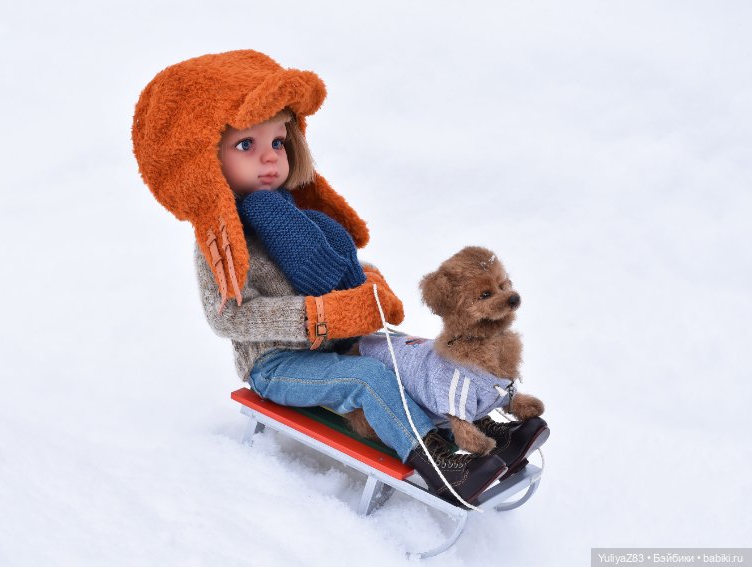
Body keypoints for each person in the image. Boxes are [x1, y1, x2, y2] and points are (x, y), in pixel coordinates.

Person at [131, 49, 510, 506]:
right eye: (246, 145)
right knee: (369, 380)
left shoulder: (296, 211)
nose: (270, 159)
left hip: (334, 343)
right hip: (277, 367)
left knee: (408, 356)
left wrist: (370, 284)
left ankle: (481, 416)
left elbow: (336, 267)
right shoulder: (224, 242)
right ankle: (440, 464)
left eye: (277, 142)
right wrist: (319, 317)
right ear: (209, 160)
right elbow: (229, 318)